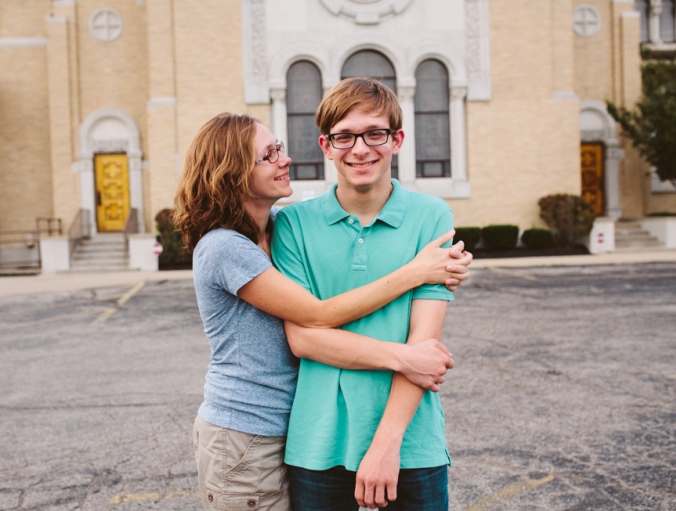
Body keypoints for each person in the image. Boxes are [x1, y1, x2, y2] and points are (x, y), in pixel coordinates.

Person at [173, 112, 470, 511]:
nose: (285, 159)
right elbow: (314, 316)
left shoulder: (278, 224)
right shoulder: (226, 247)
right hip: (244, 431)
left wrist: (442, 268)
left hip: (287, 426)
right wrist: (415, 276)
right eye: (269, 154)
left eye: (278, 147)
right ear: (233, 173)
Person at [271, 77, 457, 510]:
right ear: (325, 144)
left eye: (374, 133)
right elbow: (303, 338)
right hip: (319, 443)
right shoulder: (293, 225)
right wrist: (403, 354)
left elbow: (423, 345)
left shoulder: (432, 217)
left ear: (397, 140)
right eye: (344, 136)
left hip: (411, 441)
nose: (360, 149)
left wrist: (386, 446)